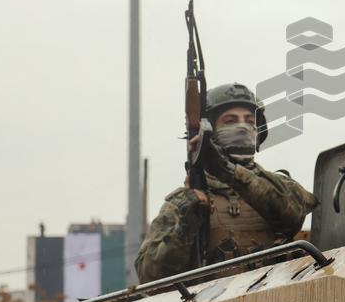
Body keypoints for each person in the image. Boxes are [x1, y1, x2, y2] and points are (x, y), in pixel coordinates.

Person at [135, 83, 317, 282]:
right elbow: (149, 276)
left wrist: (226, 170)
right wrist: (185, 225)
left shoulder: (282, 188)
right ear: (210, 132)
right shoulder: (183, 202)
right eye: (230, 121)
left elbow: (293, 213)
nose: (242, 126)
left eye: (249, 121)